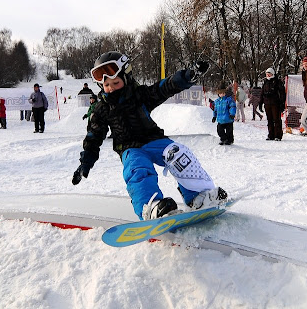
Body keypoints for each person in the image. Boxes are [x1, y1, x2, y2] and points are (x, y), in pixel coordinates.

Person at [71, 51, 227, 220]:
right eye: (106, 85)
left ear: (126, 77)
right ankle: (150, 206)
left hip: (154, 139)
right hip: (129, 147)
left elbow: (166, 87)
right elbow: (93, 137)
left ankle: (198, 196)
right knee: (138, 169)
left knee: (179, 154)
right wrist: (86, 161)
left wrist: (188, 76)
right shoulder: (101, 109)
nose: (111, 88)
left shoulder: (141, 94)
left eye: (115, 82)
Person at [259, 67, 286, 141]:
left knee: (276, 119)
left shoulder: (277, 81)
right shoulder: (265, 82)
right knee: (269, 119)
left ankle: (278, 135)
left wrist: (282, 103)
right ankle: (271, 134)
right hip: (267, 103)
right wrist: (260, 103)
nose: (268, 75)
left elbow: (282, 93)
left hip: (275, 103)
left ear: (272, 74)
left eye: (269, 74)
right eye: (267, 74)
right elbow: (262, 93)